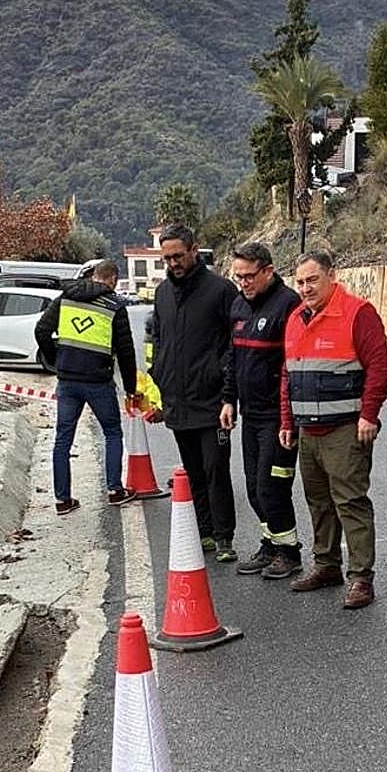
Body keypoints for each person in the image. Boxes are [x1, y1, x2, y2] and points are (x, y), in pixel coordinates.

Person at [278, 250, 387, 609]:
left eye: (312, 280)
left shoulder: (358, 312)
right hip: (308, 431)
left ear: (331, 276)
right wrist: (287, 420)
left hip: (346, 429)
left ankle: (361, 578)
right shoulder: (296, 318)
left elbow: (379, 367)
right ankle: (326, 566)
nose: (305, 288)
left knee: (350, 502)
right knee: (319, 503)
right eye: (299, 282)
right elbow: (288, 375)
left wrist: (369, 415)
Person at [149, 224, 240, 561]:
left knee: (216, 469)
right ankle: (204, 532)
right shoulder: (161, 294)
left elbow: (234, 344)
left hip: (213, 402)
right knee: (194, 471)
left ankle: (224, 536)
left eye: (177, 255)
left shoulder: (221, 290)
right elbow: (158, 340)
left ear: (193, 250)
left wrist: (225, 386)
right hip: (177, 403)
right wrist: (158, 377)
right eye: (166, 258)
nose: (172, 263)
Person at [220, 242, 303, 579]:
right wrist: (229, 400)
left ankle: (290, 552)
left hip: (279, 418)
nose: (244, 283)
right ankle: (271, 543)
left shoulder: (289, 306)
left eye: (250, 276)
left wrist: (289, 418)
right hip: (251, 415)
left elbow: (292, 365)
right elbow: (233, 358)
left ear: (268, 271)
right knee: (254, 487)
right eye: (238, 277)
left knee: (273, 486)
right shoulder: (239, 306)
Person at [34, 259, 142, 516]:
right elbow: (126, 353)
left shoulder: (66, 298)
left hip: (68, 380)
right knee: (113, 432)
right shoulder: (115, 307)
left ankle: (63, 500)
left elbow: (42, 330)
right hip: (98, 381)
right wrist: (130, 388)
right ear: (113, 279)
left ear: (94, 275)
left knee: (63, 439)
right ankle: (115, 490)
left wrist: (55, 359)